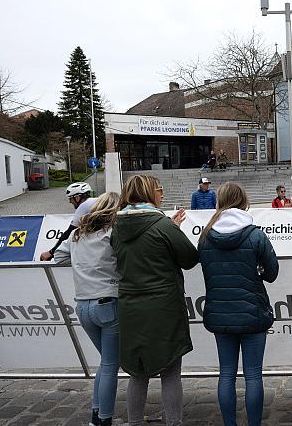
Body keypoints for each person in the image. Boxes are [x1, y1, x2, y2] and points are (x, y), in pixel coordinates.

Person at [111, 175, 199, 426]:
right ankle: (174, 422)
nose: (162, 194)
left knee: (137, 373)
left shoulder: (116, 226)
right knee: (170, 371)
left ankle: (134, 422)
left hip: (130, 306)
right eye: (160, 190)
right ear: (150, 193)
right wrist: (173, 230)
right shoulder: (162, 225)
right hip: (164, 307)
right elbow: (189, 258)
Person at [197, 182, 279, 426]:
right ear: (244, 201)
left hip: (220, 314)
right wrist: (257, 270)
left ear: (219, 202)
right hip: (252, 312)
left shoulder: (206, 235)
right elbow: (272, 273)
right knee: (253, 375)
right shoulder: (255, 234)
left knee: (226, 374)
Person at [53, 192, 121, 426]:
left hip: (82, 305)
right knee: (111, 365)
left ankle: (96, 414)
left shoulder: (76, 236)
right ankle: (104, 419)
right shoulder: (112, 233)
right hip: (108, 303)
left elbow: (58, 258)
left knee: (106, 362)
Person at [40, 182, 96, 261]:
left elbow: (69, 232)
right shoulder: (96, 201)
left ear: (77, 197)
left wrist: (51, 252)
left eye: (70, 198)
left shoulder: (84, 205)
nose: (70, 202)